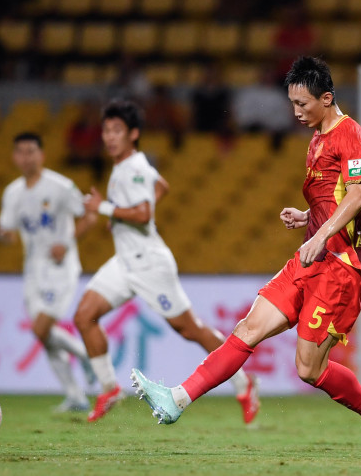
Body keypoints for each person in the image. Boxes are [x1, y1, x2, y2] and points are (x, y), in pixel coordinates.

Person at [131, 57, 361, 457]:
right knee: (247, 329)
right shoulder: (317, 138)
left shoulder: (350, 134)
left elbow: (358, 195)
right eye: (292, 103)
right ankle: (176, 400)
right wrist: (309, 215)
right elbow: (336, 196)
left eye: (303, 104)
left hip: (338, 267)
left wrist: (321, 234)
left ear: (327, 98)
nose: (296, 112)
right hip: (308, 259)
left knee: (309, 369)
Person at [74, 100, 259, 423]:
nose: (109, 137)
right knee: (84, 316)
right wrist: (119, 216)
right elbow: (162, 187)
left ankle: (244, 382)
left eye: (117, 130)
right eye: (106, 130)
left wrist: (106, 209)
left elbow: (144, 214)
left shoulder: (134, 168)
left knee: (190, 329)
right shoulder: (129, 167)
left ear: (133, 134)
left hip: (149, 264)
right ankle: (109, 388)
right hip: (124, 262)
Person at [0, 132, 98, 413]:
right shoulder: (12, 193)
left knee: (41, 328)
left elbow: (90, 216)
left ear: (42, 155)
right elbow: (10, 235)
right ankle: (75, 396)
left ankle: (87, 356)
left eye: (31, 151)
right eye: (21, 152)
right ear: (14, 157)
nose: (26, 157)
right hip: (33, 270)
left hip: (61, 268)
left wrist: (67, 242)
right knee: (43, 335)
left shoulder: (60, 186)